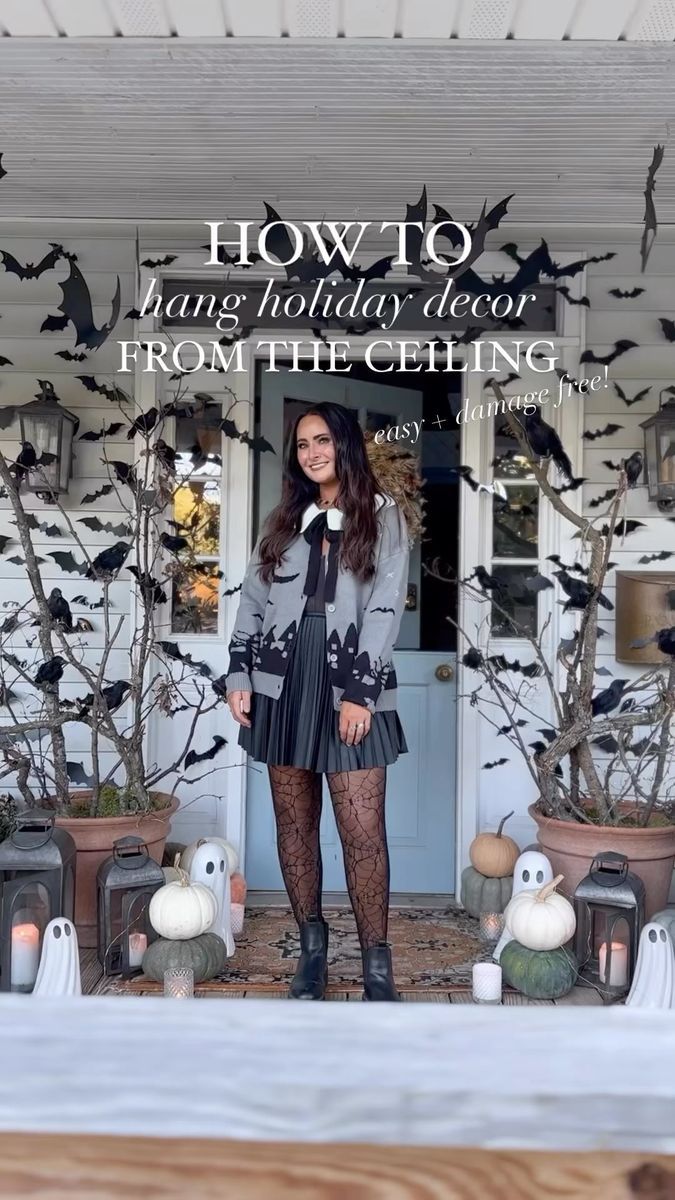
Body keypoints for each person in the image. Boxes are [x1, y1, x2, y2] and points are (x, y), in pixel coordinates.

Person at [225, 401, 410, 1002]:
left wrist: (361, 692)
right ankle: (312, 949)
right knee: (295, 825)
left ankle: (375, 964)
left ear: (345, 444)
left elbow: (385, 608)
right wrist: (239, 672)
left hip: (348, 681)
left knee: (362, 831)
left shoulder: (382, 517)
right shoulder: (284, 520)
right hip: (281, 682)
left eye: (323, 440)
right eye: (303, 444)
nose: (312, 452)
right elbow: (252, 600)